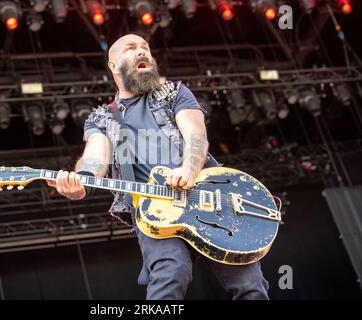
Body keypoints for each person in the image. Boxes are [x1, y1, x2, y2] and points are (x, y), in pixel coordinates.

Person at [47, 34, 269, 300]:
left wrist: (188, 169)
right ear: (113, 65)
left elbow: (196, 136)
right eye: (131, 48)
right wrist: (79, 182)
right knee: (170, 275)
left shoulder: (174, 93)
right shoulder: (102, 118)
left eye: (146, 48)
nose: (142, 52)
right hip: (155, 212)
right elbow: (95, 157)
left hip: (208, 200)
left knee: (250, 285)